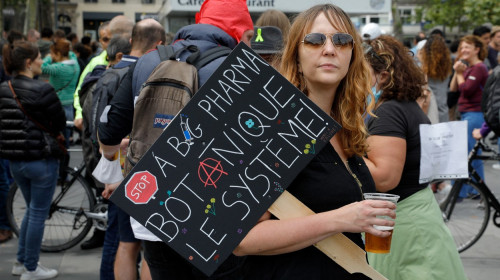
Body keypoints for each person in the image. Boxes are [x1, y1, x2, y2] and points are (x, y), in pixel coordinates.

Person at [234, 4, 396, 279]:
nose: (330, 49)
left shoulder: (345, 127)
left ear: (352, 55)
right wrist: (341, 219)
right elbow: (243, 239)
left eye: (342, 40)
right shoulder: (276, 128)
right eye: (315, 40)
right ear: (296, 56)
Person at [97, 0, 254, 278]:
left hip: (152, 212)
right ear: (240, 33)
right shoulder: (240, 69)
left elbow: (108, 136)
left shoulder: (147, 61)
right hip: (215, 218)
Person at [362, 35, 467, 280]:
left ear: (383, 76)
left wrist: (340, 151)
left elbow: (385, 178)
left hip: (405, 224)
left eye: (361, 71)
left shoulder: (388, 111)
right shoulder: (403, 106)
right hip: (412, 217)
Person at [0, 40, 66, 280]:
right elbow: (58, 122)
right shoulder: (43, 90)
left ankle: (21, 261)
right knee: (38, 212)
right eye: (40, 58)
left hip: (16, 161)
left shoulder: (4, 88)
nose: (43, 62)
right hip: (41, 159)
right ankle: (31, 267)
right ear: (28, 62)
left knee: (32, 210)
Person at [450, 35, 489, 198]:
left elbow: (466, 90)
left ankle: (476, 191)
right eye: (461, 47)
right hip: (466, 114)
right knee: (466, 152)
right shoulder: (468, 68)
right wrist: (457, 72)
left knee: (470, 153)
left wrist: (460, 74)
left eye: (467, 47)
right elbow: (453, 89)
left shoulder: (480, 68)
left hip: (475, 114)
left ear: (476, 50)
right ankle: (468, 190)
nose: (463, 50)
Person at [418, 34, 453, 122]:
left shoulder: (423, 69)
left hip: (428, 109)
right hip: (443, 110)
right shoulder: (447, 69)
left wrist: (420, 58)